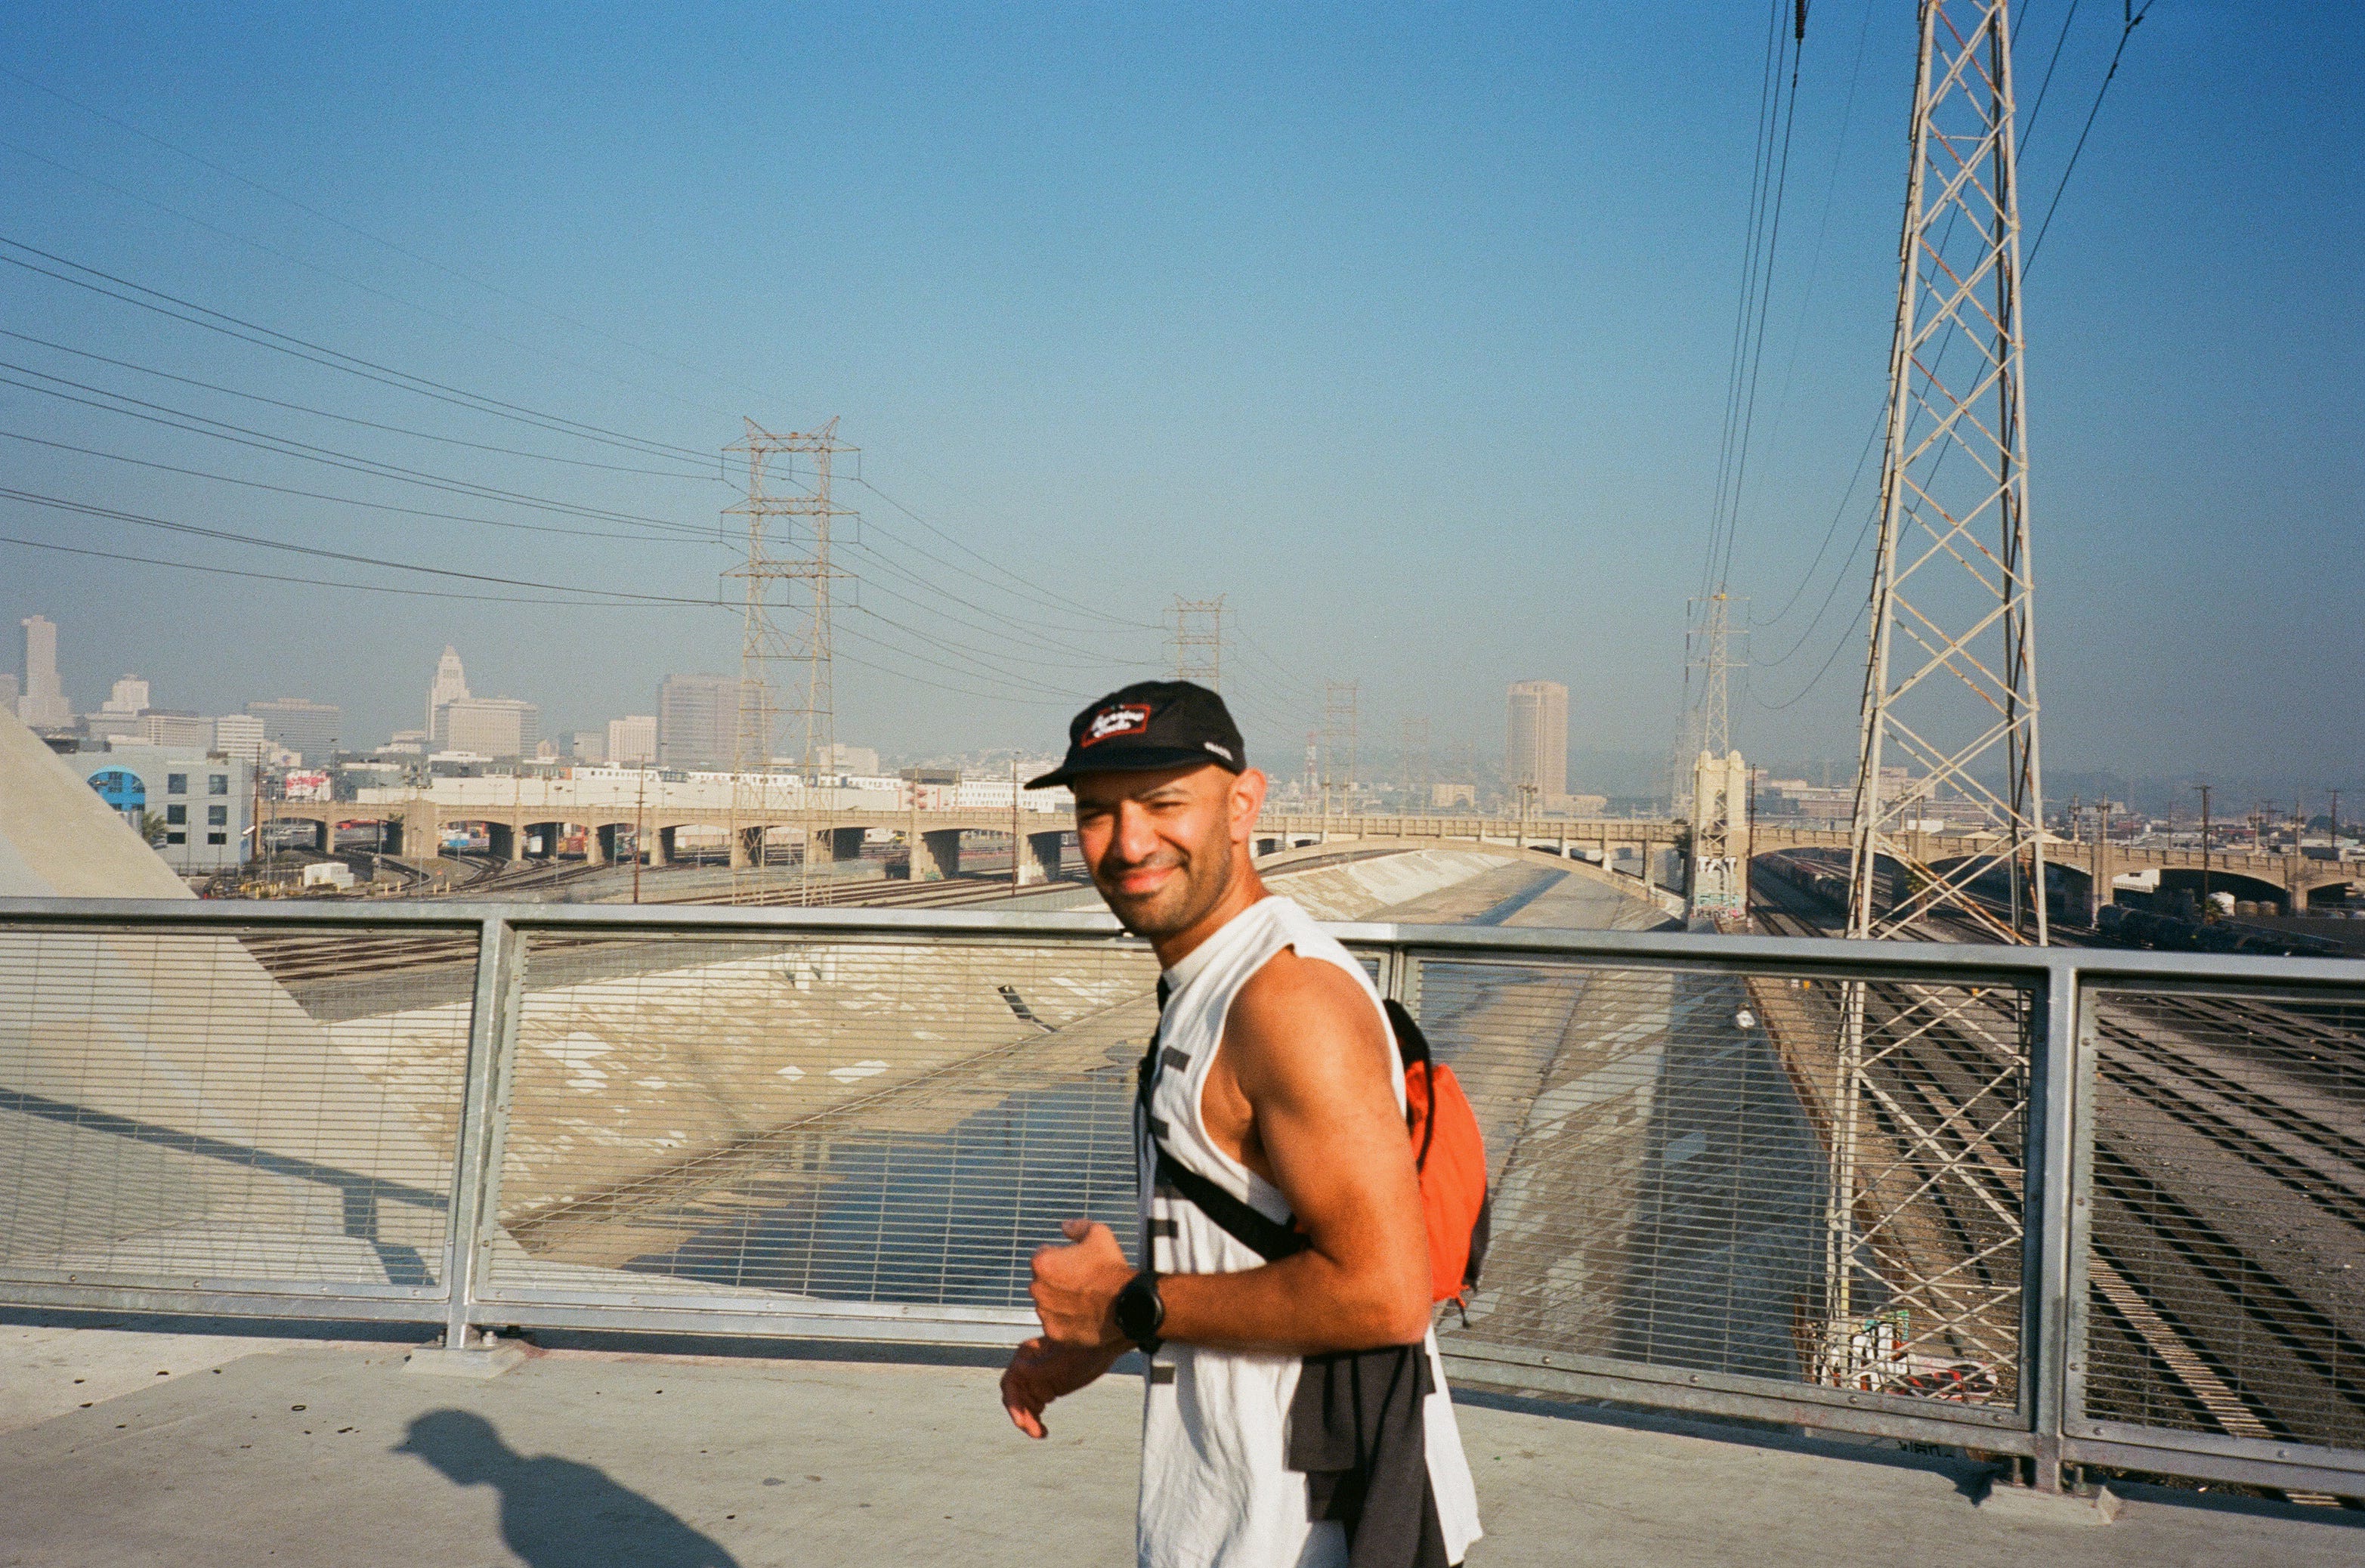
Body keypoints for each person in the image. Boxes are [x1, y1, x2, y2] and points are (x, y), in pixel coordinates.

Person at [1000, 681, 1481, 1568]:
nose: (1129, 841)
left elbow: (1383, 1292)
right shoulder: (1207, 984)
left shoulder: (1284, 1000)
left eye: (1163, 802)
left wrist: (1124, 1304)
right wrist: (1109, 1330)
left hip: (1309, 1528)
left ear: (1242, 804)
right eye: (1098, 812)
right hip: (1233, 1511)